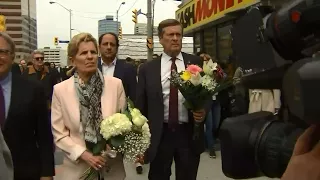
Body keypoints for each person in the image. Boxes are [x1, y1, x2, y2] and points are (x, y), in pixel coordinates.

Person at [136, 19, 207, 180]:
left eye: (178, 34)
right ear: (161, 39)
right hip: (160, 135)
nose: (175, 38)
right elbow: (141, 106)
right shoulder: (148, 69)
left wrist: (203, 112)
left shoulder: (195, 63)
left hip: (188, 134)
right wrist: (141, 144)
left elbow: (206, 94)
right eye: (170, 35)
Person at [51, 33, 127, 180]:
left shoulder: (115, 85)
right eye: (84, 53)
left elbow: (124, 123)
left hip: (111, 168)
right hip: (77, 170)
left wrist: (111, 148)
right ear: (73, 60)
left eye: (93, 52)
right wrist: (85, 155)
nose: (90, 56)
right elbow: (59, 134)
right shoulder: (60, 90)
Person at [0, 33, 55, 180]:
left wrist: (47, 173)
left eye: (2, 52)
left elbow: (44, 135)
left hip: (25, 170)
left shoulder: (33, 89)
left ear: (12, 56)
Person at [98, 32, 137, 102]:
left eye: (112, 44)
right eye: (105, 44)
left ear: (117, 48)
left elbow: (134, 97)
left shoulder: (128, 69)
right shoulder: (91, 66)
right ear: (99, 47)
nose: (109, 47)